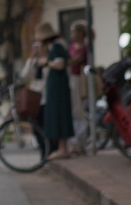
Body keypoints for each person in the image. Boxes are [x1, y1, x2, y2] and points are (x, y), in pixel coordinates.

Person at [34, 21, 75, 158]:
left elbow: (60, 64)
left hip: (58, 87)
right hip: (56, 86)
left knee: (60, 116)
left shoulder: (57, 46)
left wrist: (46, 62)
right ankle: (63, 147)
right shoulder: (55, 47)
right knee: (58, 116)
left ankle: (63, 149)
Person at [68, 22, 89, 150]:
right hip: (71, 79)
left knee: (78, 110)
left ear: (80, 34)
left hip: (79, 80)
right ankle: (76, 141)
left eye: (73, 32)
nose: (72, 35)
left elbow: (75, 60)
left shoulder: (84, 48)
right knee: (73, 111)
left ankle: (81, 142)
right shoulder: (71, 47)